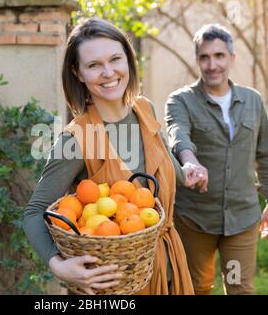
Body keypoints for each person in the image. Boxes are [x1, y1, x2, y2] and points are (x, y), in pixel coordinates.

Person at [23, 18, 197, 295]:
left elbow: (169, 169)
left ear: (128, 60)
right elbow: (33, 214)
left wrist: (190, 168)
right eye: (93, 65)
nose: (108, 72)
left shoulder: (144, 110)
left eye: (115, 59)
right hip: (115, 283)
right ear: (78, 73)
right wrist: (59, 266)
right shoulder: (76, 139)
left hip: (168, 265)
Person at [164, 24, 268, 295]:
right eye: (204, 57)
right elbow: (178, 134)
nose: (212, 64)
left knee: (239, 287)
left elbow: (265, 153)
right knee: (195, 288)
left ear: (231, 58)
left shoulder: (252, 101)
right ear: (197, 60)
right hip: (194, 219)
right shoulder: (181, 101)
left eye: (219, 56)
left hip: (241, 219)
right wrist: (189, 160)